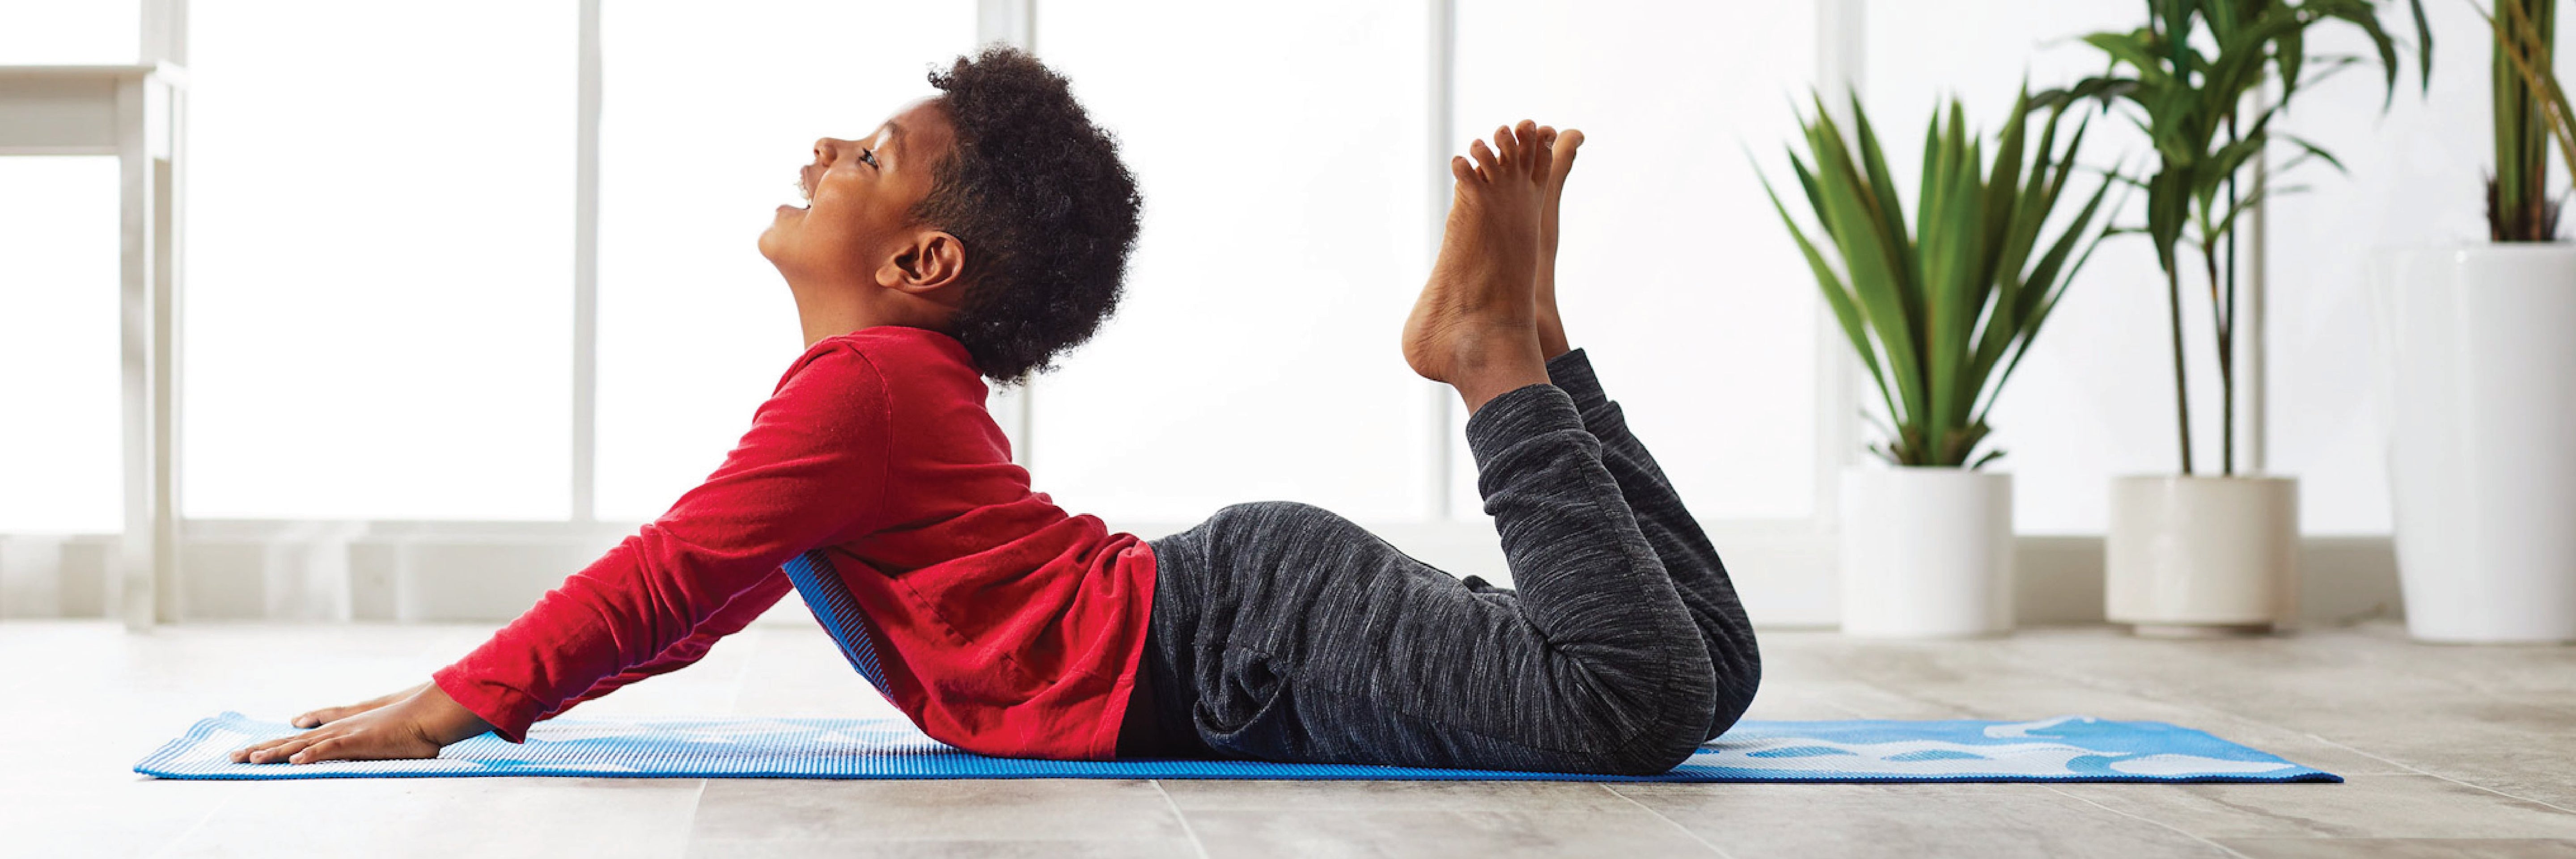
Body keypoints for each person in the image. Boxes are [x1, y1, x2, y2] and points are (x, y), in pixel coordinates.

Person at [231, 46, 1760, 777]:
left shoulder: (866, 394)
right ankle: (1544, 353)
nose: (827, 145)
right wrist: (500, 694)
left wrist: (452, 703)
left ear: (919, 259)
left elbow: (672, 570)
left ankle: (1498, 361)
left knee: (1631, 704)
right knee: (1709, 672)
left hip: (1229, 639)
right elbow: (698, 599)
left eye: (870, 153)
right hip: (1237, 619)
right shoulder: (876, 400)